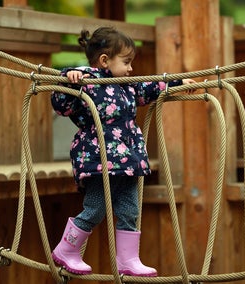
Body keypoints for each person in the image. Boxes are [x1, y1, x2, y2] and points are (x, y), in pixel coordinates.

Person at [50, 26, 195, 276]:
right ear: (105, 60)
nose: (130, 68)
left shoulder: (128, 86)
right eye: (126, 62)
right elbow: (60, 104)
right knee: (95, 208)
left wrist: (179, 82)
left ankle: (128, 260)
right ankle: (66, 250)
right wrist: (70, 78)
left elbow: (151, 86)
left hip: (128, 162)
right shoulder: (85, 81)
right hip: (99, 160)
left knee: (130, 210)